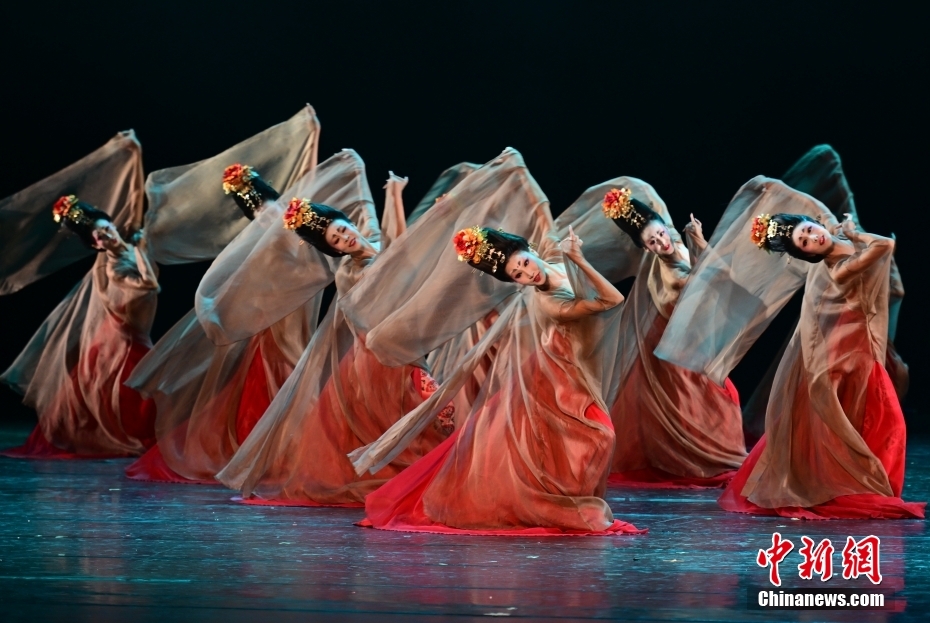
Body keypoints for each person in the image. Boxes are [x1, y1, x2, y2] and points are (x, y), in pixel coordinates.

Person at [345, 149, 645, 535]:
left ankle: (565, 496)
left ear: (530, 251)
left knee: (584, 440)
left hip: (573, 367)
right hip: (556, 373)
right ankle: (561, 502)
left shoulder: (551, 257)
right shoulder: (550, 300)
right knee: (597, 437)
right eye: (516, 274)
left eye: (522, 262)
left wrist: (516, 164)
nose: (525, 272)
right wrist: (581, 260)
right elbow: (612, 300)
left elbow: (539, 206)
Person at [215, 184, 454, 506]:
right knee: (405, 418)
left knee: (417, 418)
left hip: (401, 347)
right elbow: (367, 313)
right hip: (378, 356)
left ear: (349, 222)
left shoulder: (378, 247)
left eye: (342, 231)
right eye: (337, 242)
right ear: (335, 251)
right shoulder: (350, 273)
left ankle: (422, 479)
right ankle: (410, 482)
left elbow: (398, 241)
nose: (345, 240)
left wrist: (396, 194)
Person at [717, 209, 924, 518]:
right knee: (876, 420)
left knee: (877, 420)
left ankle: (867, 485)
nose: (814, 237)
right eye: (805, 242)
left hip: (859, 344)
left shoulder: (836, 240)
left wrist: (847, 233)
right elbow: (884, 246)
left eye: (809, 230)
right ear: (807, 254)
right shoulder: (837, 268)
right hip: (842, 349)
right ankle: (858, 485)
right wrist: (854, 234)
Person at [603, 187, 746, 487]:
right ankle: (698, 460)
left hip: (689, 336)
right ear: (646, 249)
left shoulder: (678, 244)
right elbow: (710, 277)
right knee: (700, 401)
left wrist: (695, 239)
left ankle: (705, 457)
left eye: (660, 235)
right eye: (652, 242)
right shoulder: (670, 270)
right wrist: (700, 242)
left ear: (665, 228)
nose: (660, 243)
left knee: (719, 398)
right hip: (670, 339)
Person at [3, 196, 159, 457]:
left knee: (131, 387)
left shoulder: (129, 244)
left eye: (106, 228)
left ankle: (139, 433)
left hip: (131, 330)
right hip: (121, 335)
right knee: (133, 385)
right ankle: (116, 436)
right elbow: (151, 285)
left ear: (112, 223)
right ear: (95, 244)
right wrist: (142, 250)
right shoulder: (114, 268)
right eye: (99, 237)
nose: (106, 236)